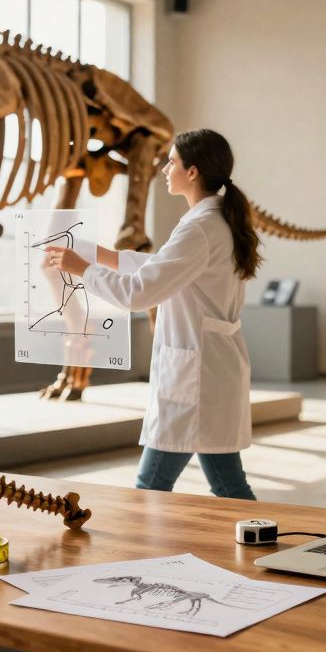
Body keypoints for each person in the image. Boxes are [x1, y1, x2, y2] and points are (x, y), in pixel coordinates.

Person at [44, 128, 262, 500]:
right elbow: (167, 267)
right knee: (228, 485)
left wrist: (84, 270)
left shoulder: (200, 227)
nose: (164, 169)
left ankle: (146, 556)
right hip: (208, 373)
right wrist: (101, 255)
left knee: (151, 487)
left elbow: (139, 292)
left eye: (171, 162)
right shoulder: (214, 221)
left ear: (192, 172)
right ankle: (265, 546)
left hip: (196, 379)